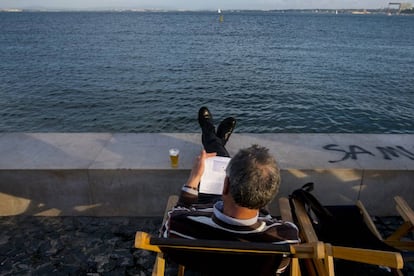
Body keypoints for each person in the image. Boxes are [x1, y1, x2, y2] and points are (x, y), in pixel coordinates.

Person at [161, 107, 300, 275]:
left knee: (216, 162)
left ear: (224, 186)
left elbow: (169, 225)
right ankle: (216, 139)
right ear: (270, 195)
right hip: (255, 216)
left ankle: (210, 133)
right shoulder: (285, 239)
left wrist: (193, 179)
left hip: (207, 213)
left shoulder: (182, 226)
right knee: (230, 162)